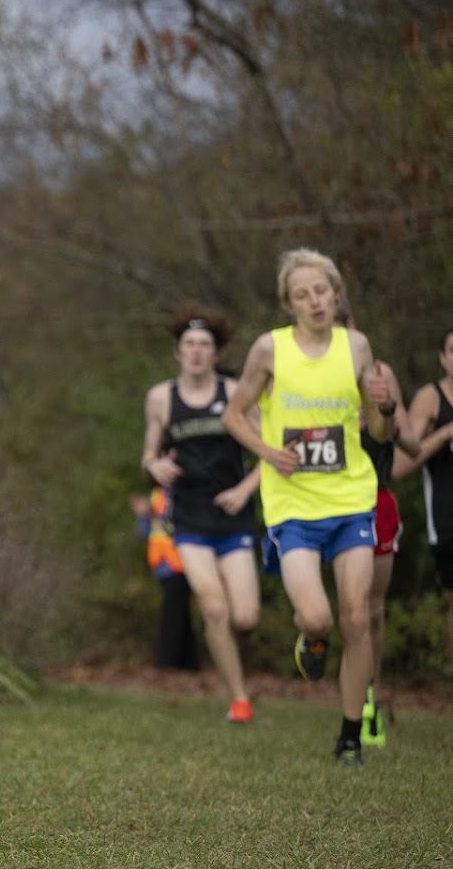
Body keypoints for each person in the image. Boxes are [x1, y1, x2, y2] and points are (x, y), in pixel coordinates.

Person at [222, 248, 392, 767]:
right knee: (319, 617)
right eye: (302, 294)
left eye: (321, 291)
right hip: (292, 505)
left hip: (350, 498)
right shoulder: (269, 350)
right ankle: (311, 639)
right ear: (289, 303)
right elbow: (234, 415)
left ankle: (350, 738)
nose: (315, 301)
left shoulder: (356, 346)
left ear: (335, 293)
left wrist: (384, 407)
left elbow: (378, 429)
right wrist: (268, 452)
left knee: (356, 618)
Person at [141, 305, 261, 722]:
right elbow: (148, 454)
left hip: (232, 517)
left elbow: (270, 453)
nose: (196, 351)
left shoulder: (235, 393)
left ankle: (238, 674)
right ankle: (239, 699)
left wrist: (244, 491)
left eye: (204, 344)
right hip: (189, 519)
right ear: (177, 352)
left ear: (216, 352)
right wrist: (154, 466)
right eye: (189, 344)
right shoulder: (160, 398)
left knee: (244, 617)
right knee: (213, 608)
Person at [339, 303, 420, 748]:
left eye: (346, 324)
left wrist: (384, 413)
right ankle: (312, 635)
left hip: (375, 497)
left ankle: (369, 697)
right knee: (337, 607)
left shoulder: (379, 373)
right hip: (325, 499)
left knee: (370, 609)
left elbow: (412, 443)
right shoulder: (303, 377)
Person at [393, 327, 453, 663]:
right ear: (442, 358)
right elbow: (400, 466)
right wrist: (443, 435)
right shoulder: (431, 398)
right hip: (447, 519)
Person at [129, 487, 201, 672]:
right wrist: (143, 515)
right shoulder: (157, 495)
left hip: (182, 562)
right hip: (162, 565)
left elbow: (181, 526)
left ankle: (165, 661)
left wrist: (153, 514)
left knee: (172, 612)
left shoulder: (185, 493)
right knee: (180, 612)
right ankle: (189, 663)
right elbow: (146, 532)